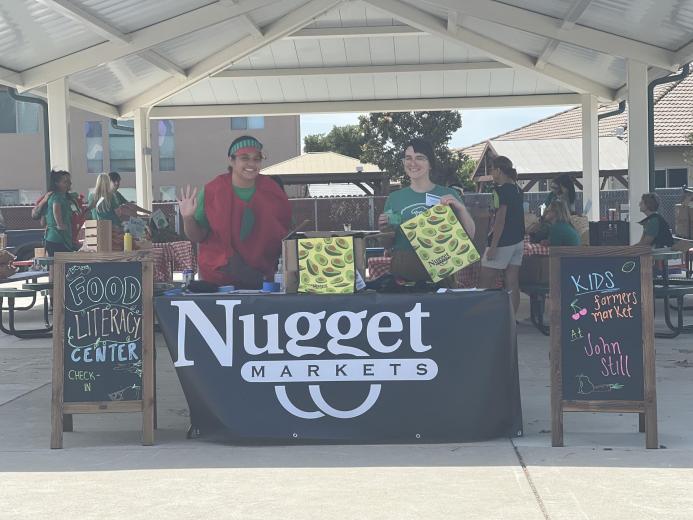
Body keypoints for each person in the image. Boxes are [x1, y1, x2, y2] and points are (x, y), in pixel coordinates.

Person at [178, 136, 292, 289]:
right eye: (244, 158)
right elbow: (198, 236)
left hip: (264, 280)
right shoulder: (213, 191)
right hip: (218, 281)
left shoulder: (273, 190)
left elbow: (286, 234)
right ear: (231, 161)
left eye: (257, 159)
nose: (251, 164)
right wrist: (187, 218)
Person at [377, 138, 475, 283]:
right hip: (404, 274)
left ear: (430, 164)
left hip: (442, 270)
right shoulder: (394, 198)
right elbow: (388, 244)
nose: (413, 163)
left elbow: (470, 235)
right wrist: (384, 229)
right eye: (408, 158)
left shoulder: (448, 195)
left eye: (420, 158)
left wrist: (461, 209)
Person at [479, 156, 525, 315]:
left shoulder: (500, 190)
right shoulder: (519, 189)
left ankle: (483, 317)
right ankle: (511, 319)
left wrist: (493, 246)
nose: (491, 172)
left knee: (484, 282)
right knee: (512, 282)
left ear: (499, 170)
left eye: (492, 169)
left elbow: (500, 220)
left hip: (502, 242)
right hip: (518, 240)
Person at [44, 170, 79, 255]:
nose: (69, 183)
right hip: (56, 238)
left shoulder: (65, 197)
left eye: (69, 181)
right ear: (57, 183)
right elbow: (56, 208)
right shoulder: (57, 196)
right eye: (65, 182)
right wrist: (60, 224)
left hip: (63, 238)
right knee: (60, 265)